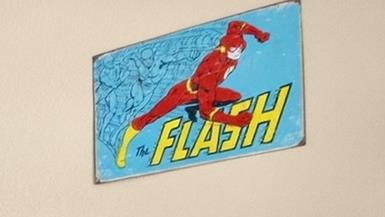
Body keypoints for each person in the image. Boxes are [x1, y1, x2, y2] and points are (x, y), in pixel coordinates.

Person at [115, 19, 270, 169]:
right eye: (233, 49)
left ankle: (192, 107)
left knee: (234, 96)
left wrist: (258, 33)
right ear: (224, 48)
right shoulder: (210, 70)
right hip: (183, 94)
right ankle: (124, 145)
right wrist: (233, 120)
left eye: (240, 47)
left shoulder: (232, 43)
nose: (237, 51)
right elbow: (206, 112)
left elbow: (237, 24)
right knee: (151, 116)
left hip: (205, 91)